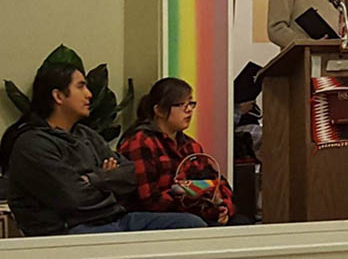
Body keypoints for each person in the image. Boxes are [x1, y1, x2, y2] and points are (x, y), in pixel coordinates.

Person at [0, 64, 205, 235]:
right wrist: (107, 178)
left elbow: (130, 175)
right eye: (81, 87)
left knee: (192, 225)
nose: (89, 94)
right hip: (71, 230)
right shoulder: (32, 144)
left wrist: (95, 179)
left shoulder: (85, 134)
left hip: (117, 219)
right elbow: (74, 200)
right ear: (58, 96)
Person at [118, 78, 242, 225]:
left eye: (191, 103)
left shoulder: (192, 146)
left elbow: (218, 182)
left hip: (194, 212)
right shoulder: (140, 142)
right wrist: (188, 194)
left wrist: (223, 207)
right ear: (159, 110)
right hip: (156, 217)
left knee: (242, 223)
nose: (189, 109)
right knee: (193, 223)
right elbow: (149, 201)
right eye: (181, 105)